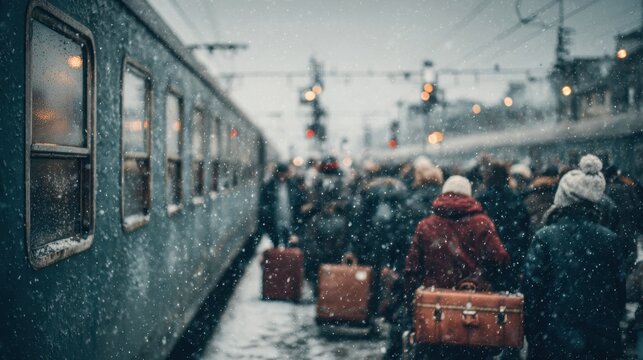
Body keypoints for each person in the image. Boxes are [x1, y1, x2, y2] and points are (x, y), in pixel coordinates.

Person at [523, 154, 624, 359]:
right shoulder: (609, 239)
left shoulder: (545, 237)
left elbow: (532, 290)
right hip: (601, 341)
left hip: (553, 339)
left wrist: (534, 335)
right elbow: (618, 292)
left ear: (563, 199)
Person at [404, 175, 510, 359]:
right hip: (474, 311)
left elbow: (412, 270)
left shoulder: (426, 226)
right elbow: (500, 261)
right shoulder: (483, 224)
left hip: (435, 308)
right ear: (469, 195)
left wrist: (411, 306)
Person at [477, 160, 530, 292]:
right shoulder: (516, 198)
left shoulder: (481, 199)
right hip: (512, 255)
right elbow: (525, 229)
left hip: (487, 256)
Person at [260, 163, 299, 247]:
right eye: (280, 173)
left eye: (284, 173)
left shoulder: (292, 185)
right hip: (275, 222)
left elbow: (297, 203)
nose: (282, 175)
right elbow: (264, 204)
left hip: (289, 221)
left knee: (289, 245)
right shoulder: (270, 186)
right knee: (276, 245)